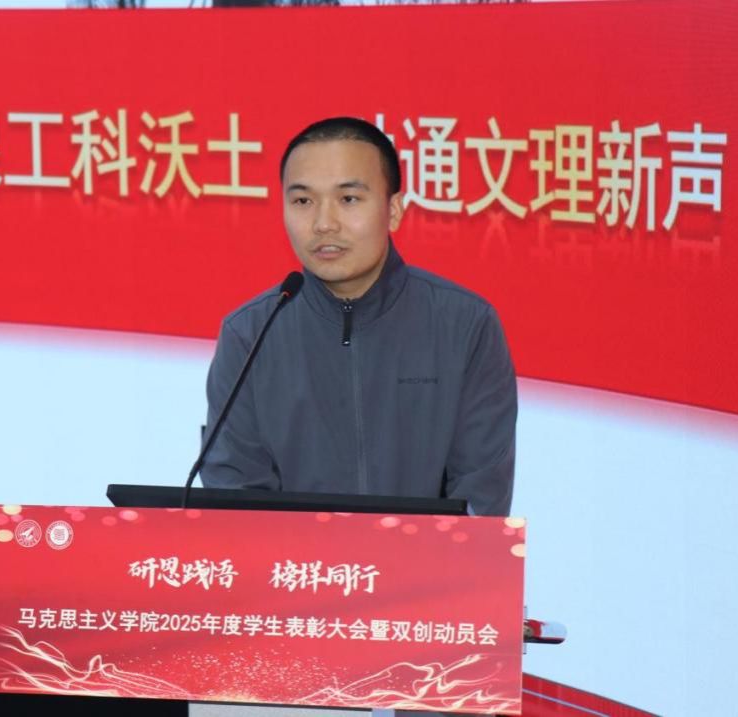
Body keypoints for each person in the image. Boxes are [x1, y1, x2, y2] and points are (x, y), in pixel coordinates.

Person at [201, 116, 516, 518]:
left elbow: (480, 500)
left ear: (394, 210)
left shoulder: (465, 326)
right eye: (303, 201)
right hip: (293, 560)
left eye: (348, 199)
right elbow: (235, 497)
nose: (323, 223)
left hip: (428, 560)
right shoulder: (250, 333)